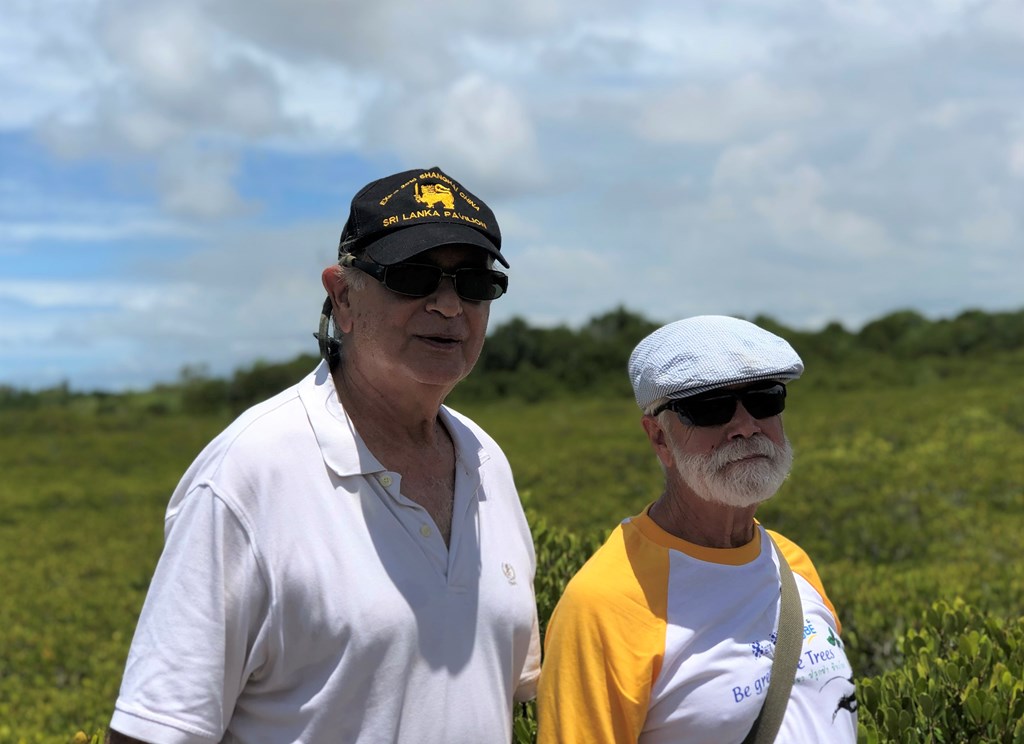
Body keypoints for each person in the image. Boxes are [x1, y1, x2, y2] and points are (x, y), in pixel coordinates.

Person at [107, 167, 540, 743]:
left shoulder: (487, 462)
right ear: (342, 299)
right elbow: (154, 730)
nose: (448, 305)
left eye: (474, 282)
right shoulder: (247, 474)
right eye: (414, 277)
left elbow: (502, 694)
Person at [536, 315, 857, 743]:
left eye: (765, 399)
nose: (745, 426)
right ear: (659, 438)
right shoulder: (606, 602)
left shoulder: (793, 563)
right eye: (710, 409)